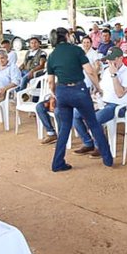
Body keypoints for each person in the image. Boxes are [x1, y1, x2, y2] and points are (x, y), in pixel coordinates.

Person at [48, 28, 113, 172]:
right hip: (79, 90)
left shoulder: (52, 56)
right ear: (66, 36)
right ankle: (108, 159)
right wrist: (98, 87)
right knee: (93, 124)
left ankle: (57, 163)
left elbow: (51, 82)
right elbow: (90, 71)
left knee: (64, 128)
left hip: (62, 91)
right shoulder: (76, 50)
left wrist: (55, 93)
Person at [72, 48, 127, 159]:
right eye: (108, 60)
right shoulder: (107, 71)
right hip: (103, 102)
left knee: (95, 119)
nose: (110, 62)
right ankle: (88, 143)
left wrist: (114, 75)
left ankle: (100, 146)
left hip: (117, 106)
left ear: (121, 58)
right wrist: (96, 93)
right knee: (75, 113)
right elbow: (102, 88)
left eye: (113, 60)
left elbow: (120, 94)